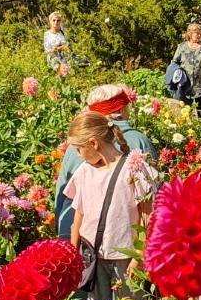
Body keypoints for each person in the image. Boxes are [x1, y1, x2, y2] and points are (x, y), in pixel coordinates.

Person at [64, 110, 153, 300]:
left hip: (126, 257)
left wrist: (139, 257)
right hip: (94, 256)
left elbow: (147, 217)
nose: (78, 155)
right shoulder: (85, 172)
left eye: (79, 149)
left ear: (94, 144)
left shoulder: (133, 168)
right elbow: (79, 215)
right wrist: (73, 252)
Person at [54, 85, 157, 239]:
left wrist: (61, 231)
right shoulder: (139, 141)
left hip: (74, 232)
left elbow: (61, 195)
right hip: (121, 240)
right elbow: (153, 194)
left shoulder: (77, 145)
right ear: (122, 110)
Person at [169, 22, 201, 120]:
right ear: (189, 34)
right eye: (196, 33)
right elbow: (174, 63)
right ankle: (184, 134)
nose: (199, 35)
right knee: (183, 115)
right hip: (184, 86)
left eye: (200, 33)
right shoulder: (182, 47)